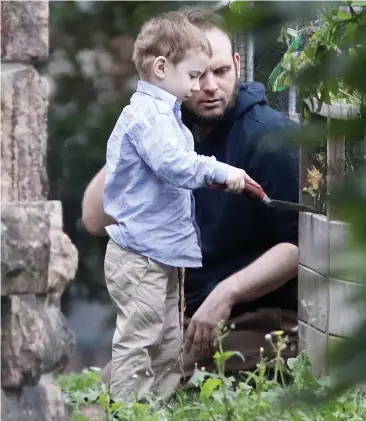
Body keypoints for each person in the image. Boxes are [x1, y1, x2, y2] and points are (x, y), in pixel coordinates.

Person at [82, 7, 300, 389]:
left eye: (220, 71)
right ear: (169, 72)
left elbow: (300, 245)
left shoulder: (271, 138)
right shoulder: (160, 127)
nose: (210, 86)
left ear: (237, 64)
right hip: (185, 313)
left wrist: (227, 293)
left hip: (258, 316)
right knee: (104, 393)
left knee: (132, 391)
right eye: (197, 75)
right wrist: (138, 133)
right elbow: (94, 220)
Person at [102, 11, 254, 402]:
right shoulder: (146, 117)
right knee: (141, 337)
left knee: (170, 337)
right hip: (140, 255)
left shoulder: (166, 115)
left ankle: (157, 404)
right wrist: (220, 171)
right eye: (191, 76)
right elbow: (173, 165)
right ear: (160, 66)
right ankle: (127, 409)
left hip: (163, 253)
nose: (196, 87)